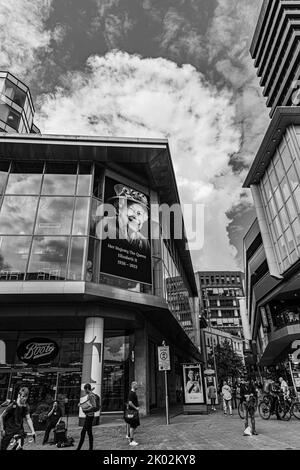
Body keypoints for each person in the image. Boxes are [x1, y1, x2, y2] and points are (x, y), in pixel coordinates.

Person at [96, 184, 150, 253]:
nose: (137, 217)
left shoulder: (144, 242)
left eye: (141, 214)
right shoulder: (104, 226)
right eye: (133, 210)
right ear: (118, 206)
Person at [76, 383, 97, 451]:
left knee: (83, 432)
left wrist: (84, 409)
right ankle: (90, 448)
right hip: (90, 416)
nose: (84, 391)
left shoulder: (90, 395)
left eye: (85, 390)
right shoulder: (90, 394)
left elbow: (94, 406)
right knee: (89, 433)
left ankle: (78, 448)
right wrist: (82, 405)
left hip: (89, 416)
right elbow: (89, 404)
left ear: (87, 389)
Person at [126, 381, 140, 447]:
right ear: (133, 385)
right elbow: (130, 403)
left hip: (134, 411)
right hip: (133, 412)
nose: (137, 386)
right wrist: (136, 408)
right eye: (136, 385)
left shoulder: (133, 393)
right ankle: (131, 441)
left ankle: (129, 436)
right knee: (133, 426)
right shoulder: (131, 393)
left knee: (135, 425)